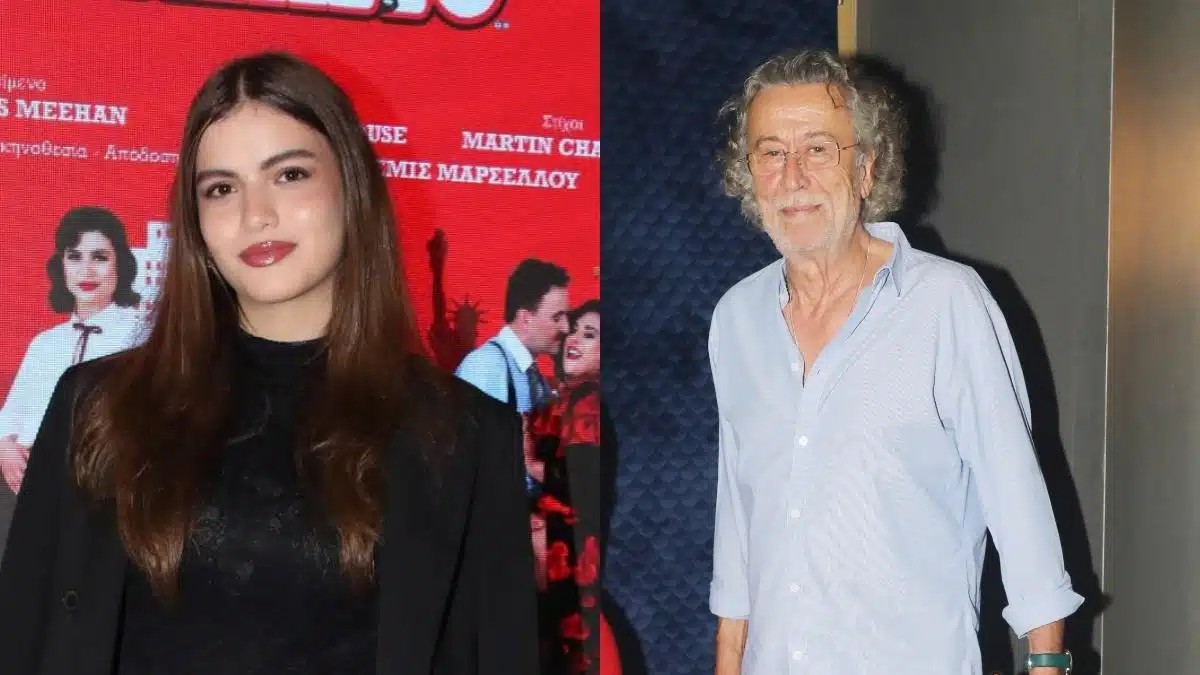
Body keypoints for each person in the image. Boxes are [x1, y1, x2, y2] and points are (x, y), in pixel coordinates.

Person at [0, 52, 536, 675]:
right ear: (196, 220)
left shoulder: (466, 434)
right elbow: (22, 638)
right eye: (221, 189)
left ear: (352, 187)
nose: (256, 215)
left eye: (289, 175)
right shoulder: (96, 406)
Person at [707, 49, 1082, 675]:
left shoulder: (947, 303)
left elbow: (1018, 504)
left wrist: (1048, 663)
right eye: (770, 153)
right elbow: (739, 518)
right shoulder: (736, 319)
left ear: (867, 168)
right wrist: (728, 658)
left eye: (818, 149)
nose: (792, 176)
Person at [0, 207, 145, 556]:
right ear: (61, 266)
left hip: (107, 489)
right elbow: (11, 415)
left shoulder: (143, 335)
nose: (86, 270)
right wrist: (6, 450)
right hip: (32, 488)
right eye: (75, 256)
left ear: (121, 265)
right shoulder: (46, 343)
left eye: (100, 257)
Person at [525, 300, 620, 675]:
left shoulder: (586, 403)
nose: (574, 339)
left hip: (568, 579)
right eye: (574, 330)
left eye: (589, 334)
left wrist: (527, 462)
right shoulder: (559, 400)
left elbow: (577, 483)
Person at [456, 259, 570, 415]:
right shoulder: (485, 367)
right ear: (526, 319)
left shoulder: (533, 377)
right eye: (556, 318)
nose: (566, 328)